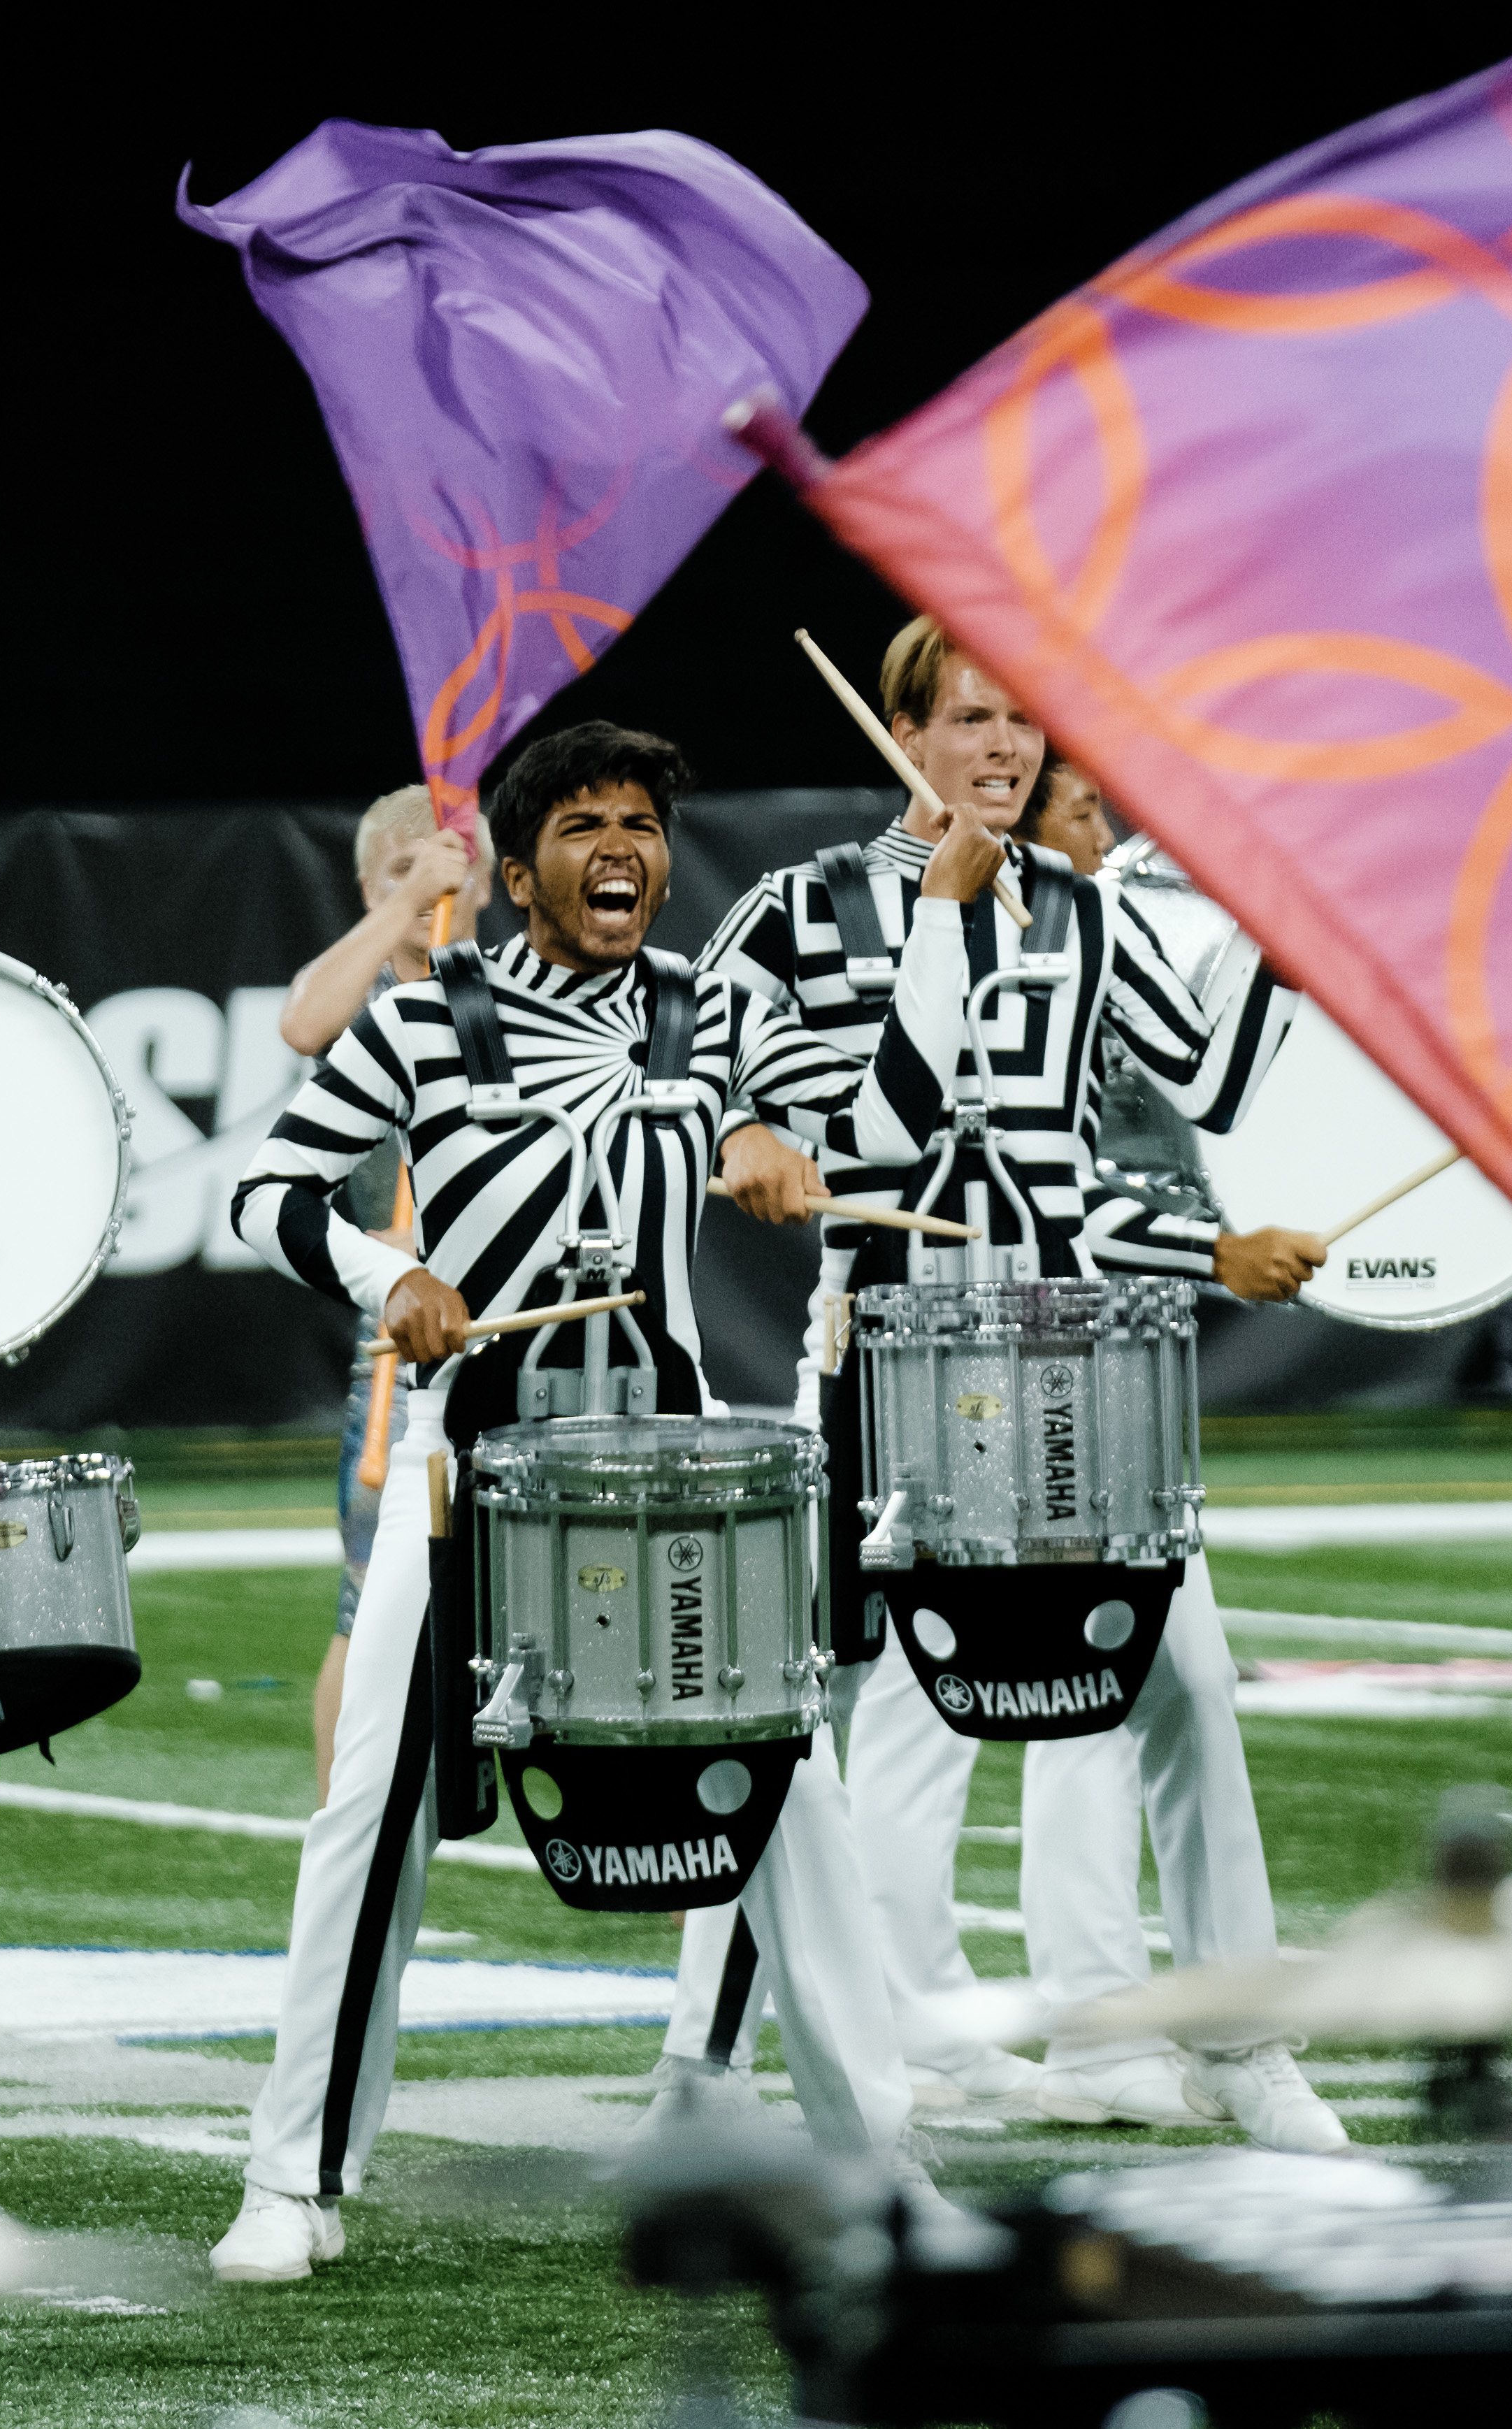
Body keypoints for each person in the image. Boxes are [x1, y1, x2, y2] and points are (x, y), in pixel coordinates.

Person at [210, 719, 926, 2284]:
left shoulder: (711, 1006)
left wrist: (762, 1141)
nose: (622, 849)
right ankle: (292, 2176)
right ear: (521, 865)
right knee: (371, 1816)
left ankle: (874, 2172)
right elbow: (264, 1190)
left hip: (666, 1480)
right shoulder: (423, 1026)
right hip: (471, 1476)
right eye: (585, 824)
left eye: (642, 824)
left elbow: (823, 1107)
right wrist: (390, 1270)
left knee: (789, 1797)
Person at [679, 619, 1342, 2149]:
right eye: (970, 720)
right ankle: (777, 2057)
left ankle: (1239, 2046)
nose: (1001, 750)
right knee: (850, 1712)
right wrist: (929, 929)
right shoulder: (795, 912)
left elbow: (1218, 1081)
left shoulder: (1084, 915)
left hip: (1068, 1369)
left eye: (1022, 726)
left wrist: (1278, 935)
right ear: (903, 730)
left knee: (1183, 1684)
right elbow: (864, 1147)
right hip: (884, 1359)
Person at [280, 784, 491, 1800]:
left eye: (463, 870)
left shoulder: (500, 992)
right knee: (362, 1607)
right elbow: (301, 1020)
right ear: (372, 883)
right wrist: (398, 909)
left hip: (510, 1324)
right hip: (402, 1352)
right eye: (402, 874)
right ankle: (343, 1832)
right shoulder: (362, 1002)